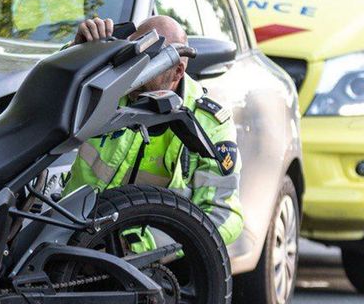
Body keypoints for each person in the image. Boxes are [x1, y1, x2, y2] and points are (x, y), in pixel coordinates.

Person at [62, 15, 244, 247]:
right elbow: (44, 100)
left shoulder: (209, 123)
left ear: (177, 72)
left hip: (140, 265)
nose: (134, 73)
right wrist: (77, 53)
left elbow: (223, 216)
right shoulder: (103, 85)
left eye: (150, 64)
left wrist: (137, 247)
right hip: (66, 232)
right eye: (134, 55)